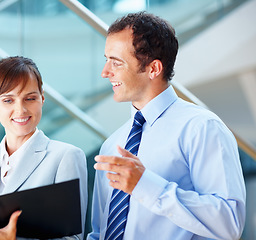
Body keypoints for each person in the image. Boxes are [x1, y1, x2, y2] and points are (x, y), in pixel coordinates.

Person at [87, 12, 246, 240]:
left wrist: (145, 185)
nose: (105, 72)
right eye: (106, 59)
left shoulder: (201, 128)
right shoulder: (113, 144)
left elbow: (229, 223)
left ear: (153, 69)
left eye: (116, 62)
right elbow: (100, 232)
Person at [0, 56, 88, 240]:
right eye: (8, 100)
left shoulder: (66, 157)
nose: (21, 109)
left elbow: (73, 239)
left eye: (30, 98)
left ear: (42, 98)